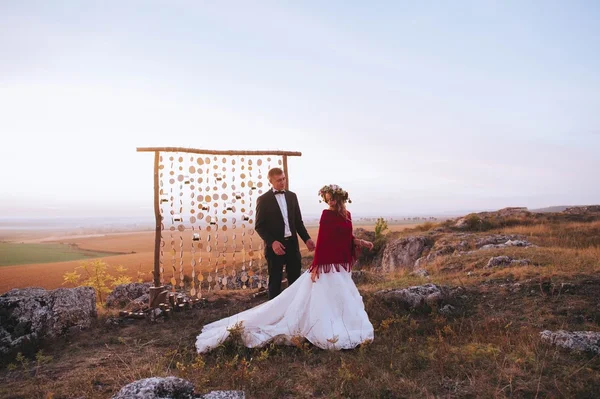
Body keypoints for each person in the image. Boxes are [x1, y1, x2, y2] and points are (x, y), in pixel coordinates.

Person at [195, 183, 374, 353]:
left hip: (339, 267)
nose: (330, 203)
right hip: (325, 266)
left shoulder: (347, 215)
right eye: (327, 199)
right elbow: (323, 243)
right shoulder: (326, 215)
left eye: (332, 199)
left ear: (339, 198)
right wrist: (316, 266)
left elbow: (344, 237)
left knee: (341, 298)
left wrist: (360, 241)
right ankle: (319, 326)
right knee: (306, 295)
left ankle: (343, 323)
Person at [254, 168, 315, 299]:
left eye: (283, 179)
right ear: (270, 181)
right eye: (278, 180)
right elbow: (259, 226)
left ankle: (293, 312)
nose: (282, 182)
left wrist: (307, 239)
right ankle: (273, 315)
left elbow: (298, 222)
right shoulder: (263, 200)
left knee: (295, 281)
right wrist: (272, 242)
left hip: (293, 245)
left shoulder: (292, 196)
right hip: (275, 248)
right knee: (275, 282)